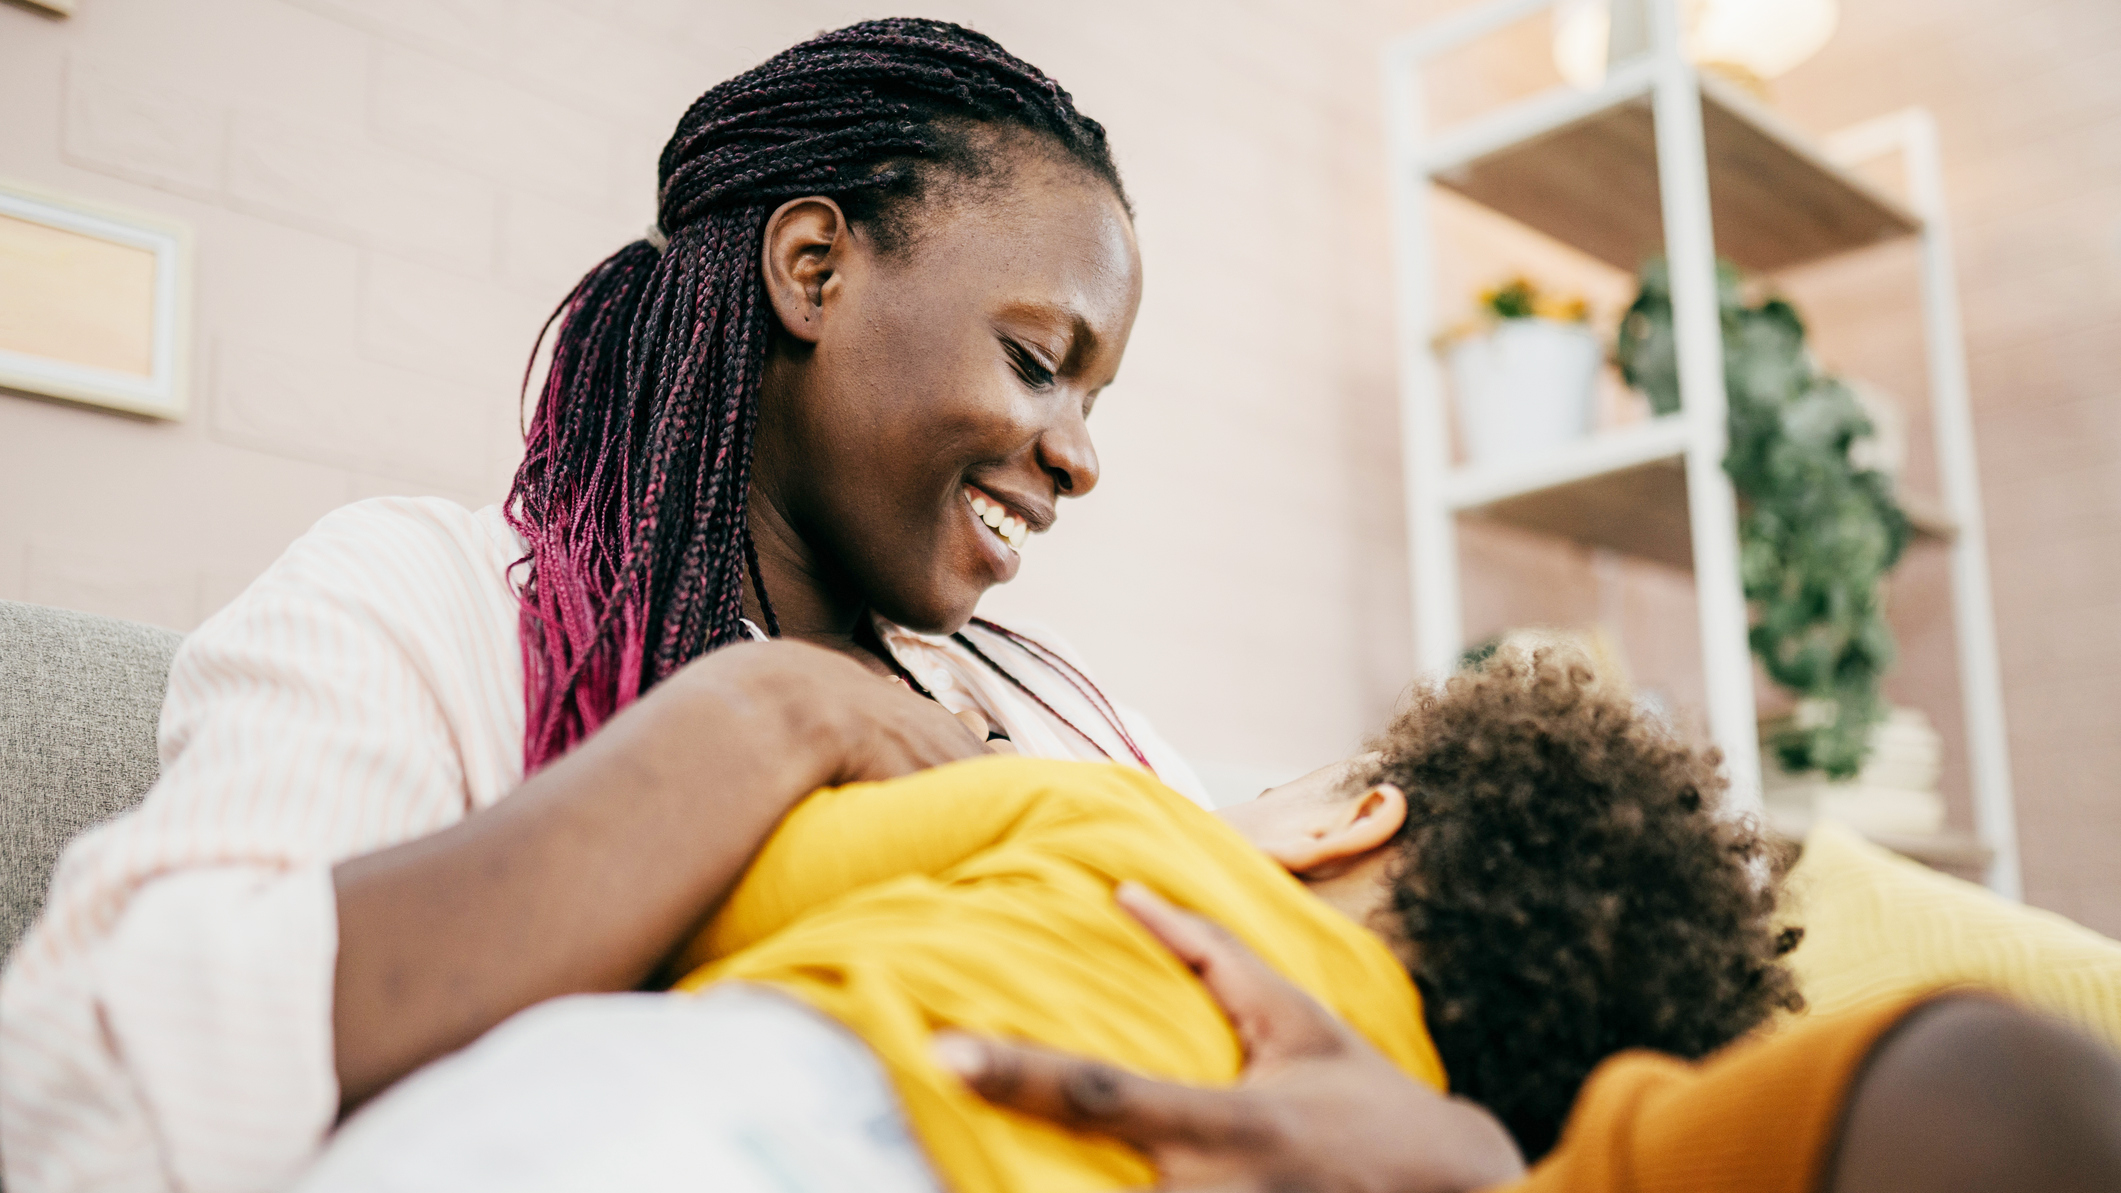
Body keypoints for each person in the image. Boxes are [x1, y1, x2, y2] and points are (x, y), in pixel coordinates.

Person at [0, 21, 1204, 1192]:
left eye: (1093, 398)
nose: (1080, 457)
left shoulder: (1052, 707)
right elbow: (82, 1102)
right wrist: (769, 718)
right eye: (1040, 362)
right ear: (814, 271)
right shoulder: (427, 602)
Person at [292, 647, 1813, 1192]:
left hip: (780, 1114)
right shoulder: (1389, 1135)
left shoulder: (1105, 812)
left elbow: (725, 899)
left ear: (1349, 820)